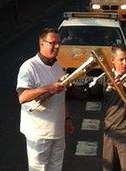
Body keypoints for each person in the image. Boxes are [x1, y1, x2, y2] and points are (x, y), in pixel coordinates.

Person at [16, 27, 74, 171]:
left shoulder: (57, 66)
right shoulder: (29, 67)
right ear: (41, 43)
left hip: (58, 131)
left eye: (59, 43)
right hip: (39, 132)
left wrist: (67, 119)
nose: (57, 46)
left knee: (56, 168)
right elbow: (22, 97)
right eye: (52, 43)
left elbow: (62, 96)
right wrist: (47, 88)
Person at [83, 44, 126, 171]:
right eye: (121, 59)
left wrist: (123, 89)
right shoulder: (105, 76)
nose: (125, 63)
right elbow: (87, 91)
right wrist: (67, 86)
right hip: (110, 134)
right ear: (112, 60)